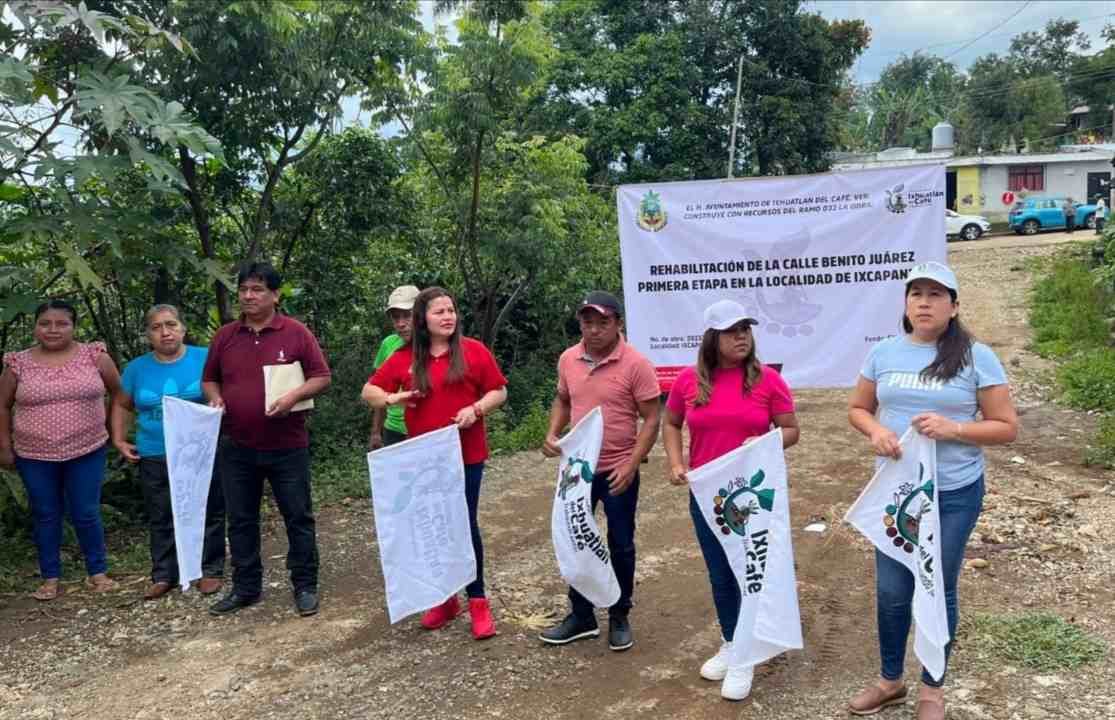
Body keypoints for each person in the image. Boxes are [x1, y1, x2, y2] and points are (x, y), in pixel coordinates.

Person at [847, 262, 1017, 720]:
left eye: (937, 294)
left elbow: (1006, 428)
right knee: (891, 589)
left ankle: (932, 689)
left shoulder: (976, 356)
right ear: (905, 304)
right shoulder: (884, 353)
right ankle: (889, 680)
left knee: (936, 586)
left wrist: (955, 428)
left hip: (954, 493)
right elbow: (859, 409)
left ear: (954, 306)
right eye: (916, 293)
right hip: (897, 496)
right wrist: (876, 431)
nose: (924, 301)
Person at [662, 300, 800, 701]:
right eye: (731, 330)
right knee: (721, 573)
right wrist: (675, 461)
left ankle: (745, 657)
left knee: (751, 571)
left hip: (753, 498)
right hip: (707, 496)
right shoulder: (688, 382)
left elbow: (791, 430)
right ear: (712, 338)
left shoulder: (768, 381)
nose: (741, 336)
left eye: (745, 328)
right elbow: (671, 423)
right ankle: (731, 641)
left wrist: (768, 440)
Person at [362, 287, 508, 640]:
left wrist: (476, 409)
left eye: (451, 310)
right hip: (423, 460)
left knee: (463, 524)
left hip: (466, 455)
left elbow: (499, 391)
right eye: (439, 311)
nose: (447, 316)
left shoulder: (473, 351)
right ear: (422, 319)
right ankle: (445, 599)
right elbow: (369, 391)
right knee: (434, 526)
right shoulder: (405, 357)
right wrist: (393, 397)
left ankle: (477, 601)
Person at [202, 262, 332, 617]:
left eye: (257, 289)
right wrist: (215, 397)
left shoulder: (295, 333)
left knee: (298, 515)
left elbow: (321, 376)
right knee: (241, 519)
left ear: (275, 295)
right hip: (237, 445)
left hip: (287, 445)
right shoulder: (225, 336)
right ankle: (246, 587)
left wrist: (292, 397)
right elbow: (210, 379)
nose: (248, 295)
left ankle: (305, 585)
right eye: (243, 289)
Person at [538, 291, 660, 652]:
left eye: (603, 322)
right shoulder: (568, 359)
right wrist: (551, 432)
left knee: (620, 544)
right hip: (578, 470)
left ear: (618, 323)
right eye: (587, 322)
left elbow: (652, 418)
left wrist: (632, 462)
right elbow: (562, 399)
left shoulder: (636, 364)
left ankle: (619, 614)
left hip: (618, 469)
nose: (594, 330)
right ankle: (582, 615)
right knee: (576, 538)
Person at [0, 300, 123, 600]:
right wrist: (4, 447)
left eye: (61, 323)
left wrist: (116, 432)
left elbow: (119, 393)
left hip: (88, 449)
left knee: (86, 512)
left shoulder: (94, 356)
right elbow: (2, 405)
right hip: (34, 455)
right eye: (45, 323)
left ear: (74, 326)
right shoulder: (18, 363)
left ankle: (98, 572)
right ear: (35, 327)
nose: (53, 329)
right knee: (45, 514)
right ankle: (50, 577)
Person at [111, 305, 226, 600]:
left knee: (207, 508)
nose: (165, 332)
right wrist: (120, 439)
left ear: (183, 329)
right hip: (153, 451)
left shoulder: (204, 358)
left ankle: (209, 570)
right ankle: (164, 574)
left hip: (199, 451)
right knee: (161, 513)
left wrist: (218, 404)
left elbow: (222, 392)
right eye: (156, 327)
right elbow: (123, 404)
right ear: (148, 334)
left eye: (171, 324)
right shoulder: (137, 368)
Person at [368, 285, 419, 450]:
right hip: (394, 429)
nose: (400, 324)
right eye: (395, 318)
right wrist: (376, 431)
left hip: (427, 430)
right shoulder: (389, 344)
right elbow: (377, 389)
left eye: (407, 316)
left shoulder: (438, 345)